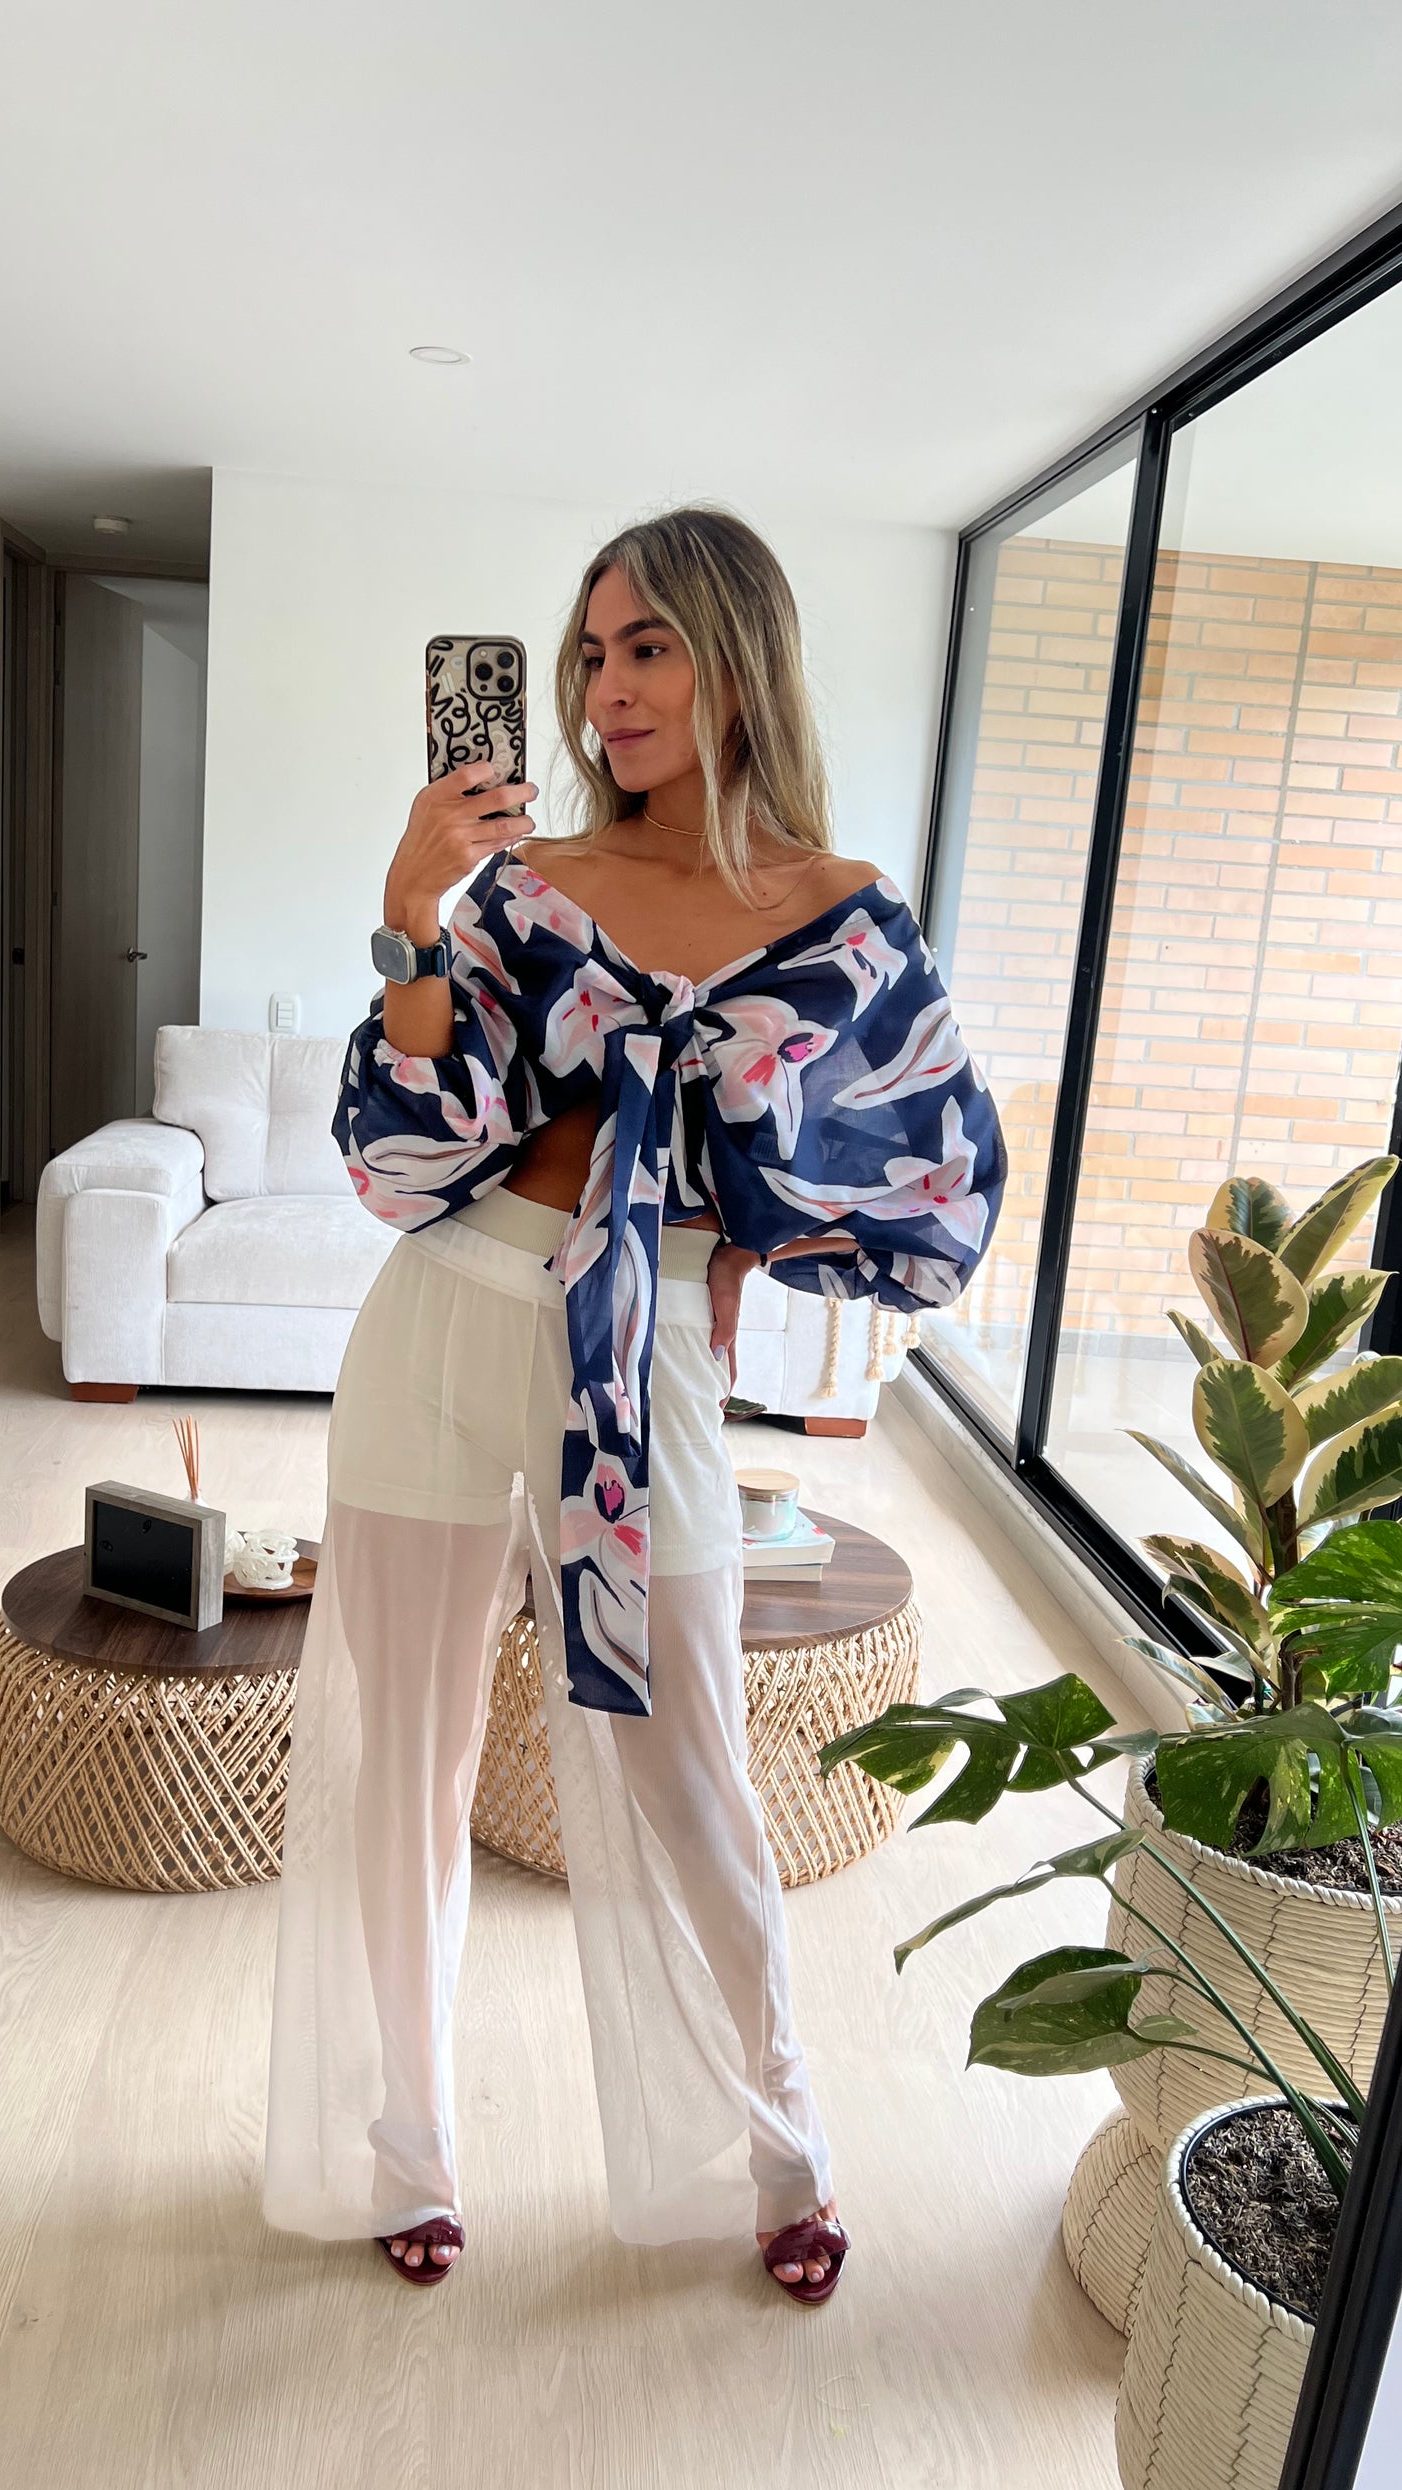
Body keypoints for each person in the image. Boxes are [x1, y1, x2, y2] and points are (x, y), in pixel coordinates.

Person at [264, 505, 1004, 2302]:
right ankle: (406, 2144)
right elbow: (405, 1158)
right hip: (444, 1319)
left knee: (693, 1773)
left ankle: (779, 2147)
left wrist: (746, 1245)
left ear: (740, 659)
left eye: (648, 646)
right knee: (409, 1765)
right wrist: (409, 918)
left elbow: (939, 1187)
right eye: (590, 653)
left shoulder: (845, 923)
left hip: (640, 1349)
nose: (606, 689)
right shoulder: (526, 890)